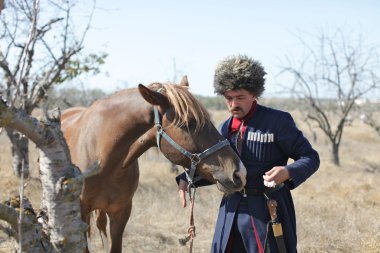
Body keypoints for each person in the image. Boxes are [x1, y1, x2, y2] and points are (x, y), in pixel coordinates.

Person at [176, 55, 320, 253]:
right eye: (228, 98)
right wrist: (185, 178)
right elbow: (219, 169)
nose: (233, 104)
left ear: (254, 94)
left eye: (240, 97)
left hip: (268, 211)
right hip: (230, 212)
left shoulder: (278, 121)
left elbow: (311, 158)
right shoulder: (224, 129)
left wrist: (287, 171)